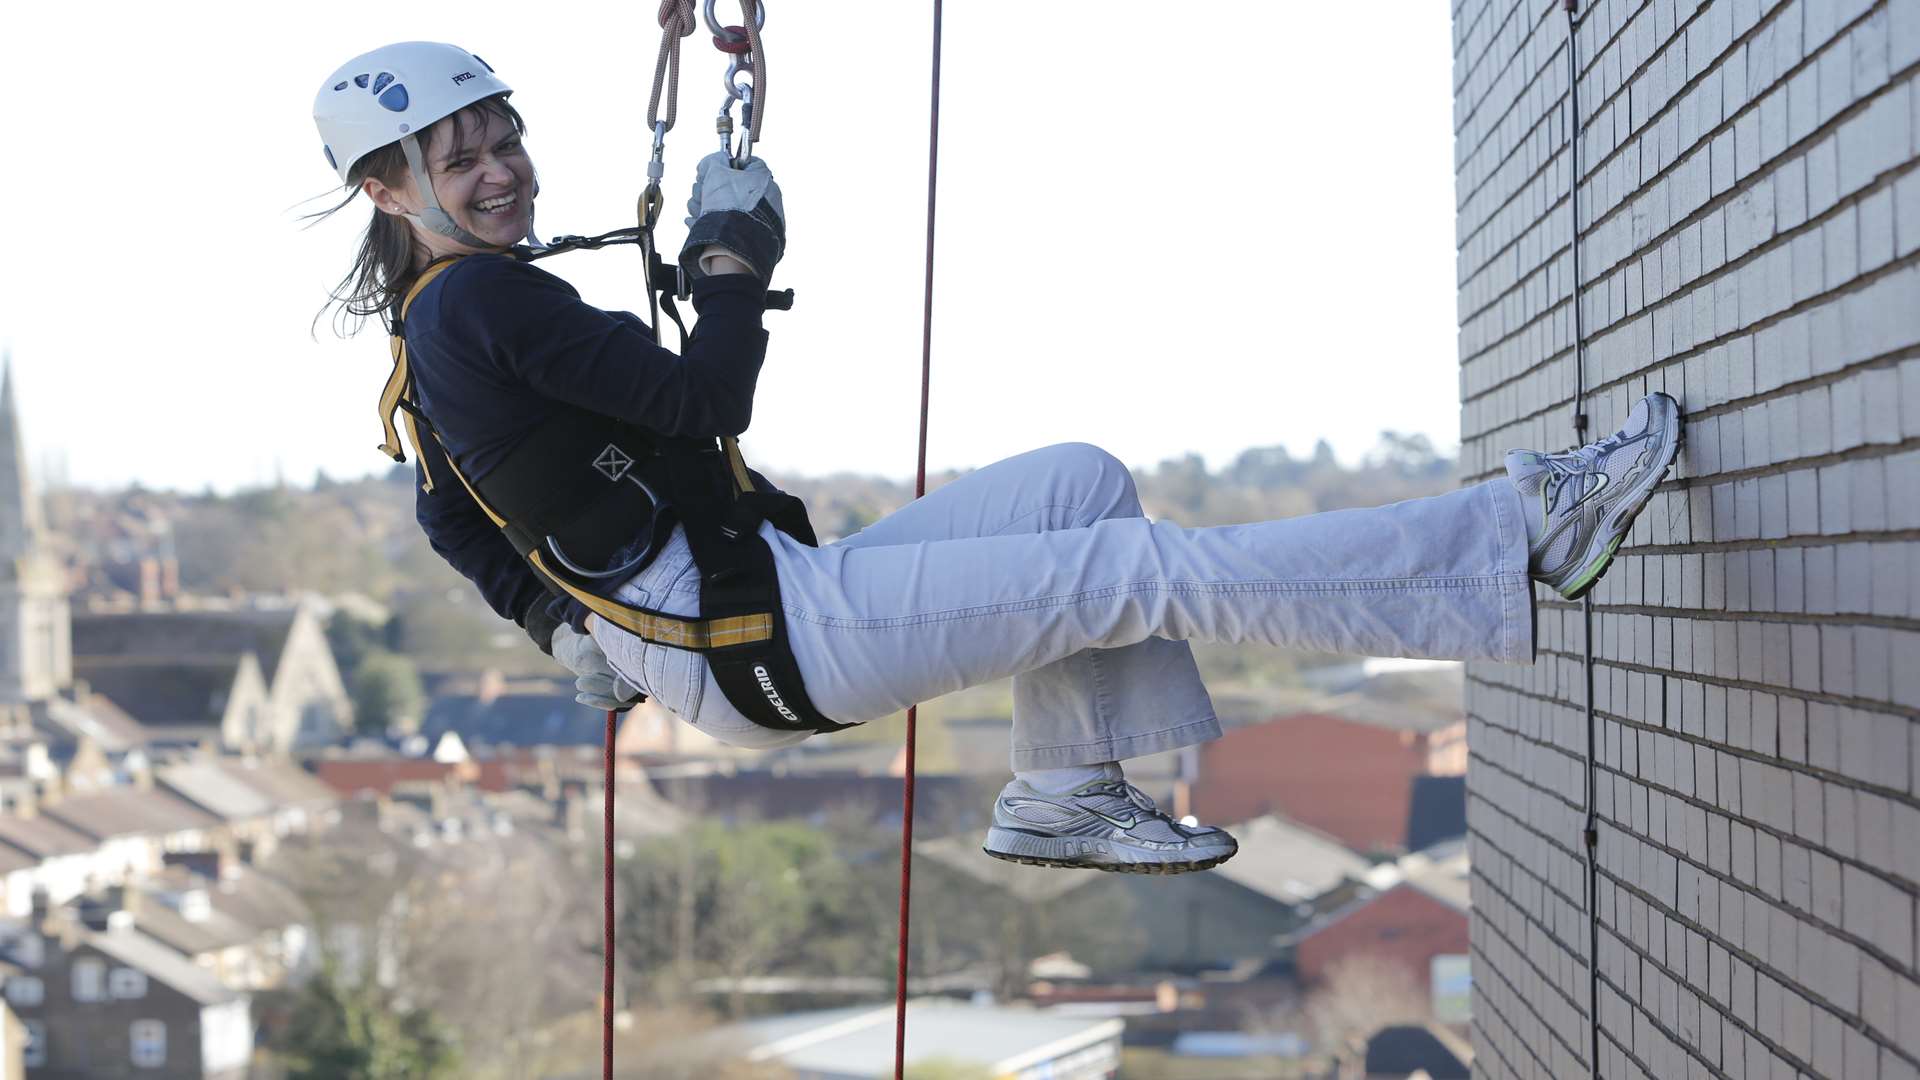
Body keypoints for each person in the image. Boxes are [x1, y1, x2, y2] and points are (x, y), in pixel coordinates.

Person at [314, 43, 1683, 875]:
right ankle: (1516, 541)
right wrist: (734, 262)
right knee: (1132, 572)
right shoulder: (484, 303)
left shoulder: (432, 327)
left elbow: (449, 520)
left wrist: (558, 623)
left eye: (507, 138)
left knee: (1079, 481)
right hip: (757, 633)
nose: (506, 171)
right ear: (390, 187)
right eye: (463, 156)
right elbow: (705, 399)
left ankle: (1065, 789)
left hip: (757, 604)